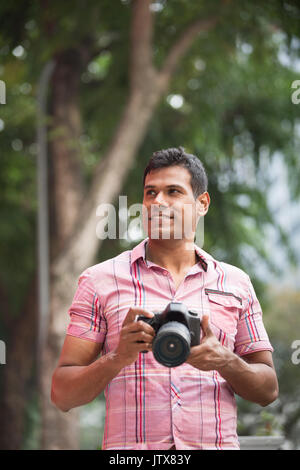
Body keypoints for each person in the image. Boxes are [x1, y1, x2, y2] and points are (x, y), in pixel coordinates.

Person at [51, 147, 279, 450]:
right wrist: (118, 357)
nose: (158, 202)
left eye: (173, 191)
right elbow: (62, 395)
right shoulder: (99, 281)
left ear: (202, 204)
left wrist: (225, 360)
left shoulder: (236, 283)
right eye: (150, 193)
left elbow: (268, 390)